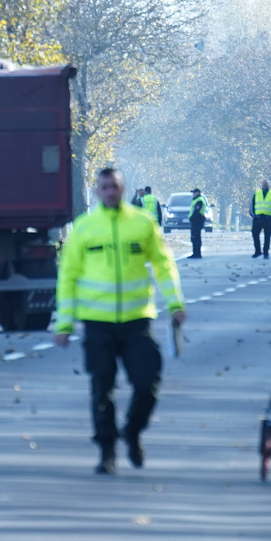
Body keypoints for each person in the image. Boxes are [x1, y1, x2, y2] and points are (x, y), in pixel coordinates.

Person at [53, 167, 187, 475]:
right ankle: (107, 451)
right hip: (97, 323)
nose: (110, 192)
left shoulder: (142, 223)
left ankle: (133, 431)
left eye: (115, 187)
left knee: (147, 382)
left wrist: (176, 304)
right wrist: (64, 323)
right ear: (98, 191)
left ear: (123, 189)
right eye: (105, 187)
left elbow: (164, 266)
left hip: (136, 322)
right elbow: (68, 276)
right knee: (102, 388)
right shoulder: (84, 228)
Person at [250, 180, 271, 259]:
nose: (265, 185)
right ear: (261, 185)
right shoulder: (257, 194)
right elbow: (252, 205)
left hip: (268, 219)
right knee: (255, 235)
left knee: (267, 237)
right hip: (258, 218)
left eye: (266, 184)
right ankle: (258, 251)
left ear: (268, 185)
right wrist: (254, 215)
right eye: (263, 183)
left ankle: (266, 253)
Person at [187, 188, 209, 259]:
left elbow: (197, 211)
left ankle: (197, 253)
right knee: (194, 237)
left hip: (198, 220)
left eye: (194, 193)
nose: (193, 194)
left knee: (196, 237)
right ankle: (195, 253)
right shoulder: (197, 200)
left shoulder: (199, 200)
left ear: (198, 193)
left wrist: (192, 218)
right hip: (196, 220)